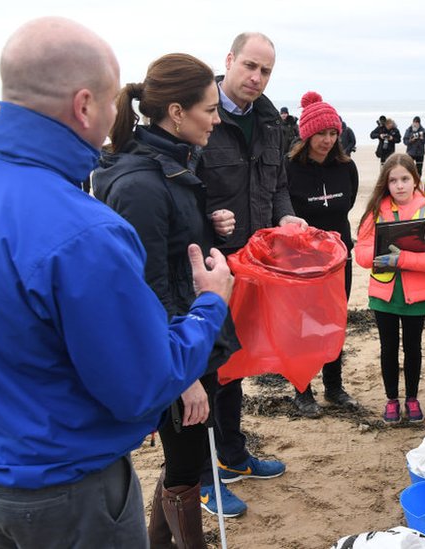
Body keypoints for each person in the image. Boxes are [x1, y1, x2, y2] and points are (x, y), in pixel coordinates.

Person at [0, 18, 234, 548]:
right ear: (85, 104)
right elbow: (140, 383)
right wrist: (209, 306)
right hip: (63, 485)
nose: (119, 114)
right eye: (114, 101)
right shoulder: (84, 230)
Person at [91, 53, 245, 543]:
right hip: (174, 346)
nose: (217, 120)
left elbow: (176, 250)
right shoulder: (140, 182)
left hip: (189, 335)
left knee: (184, 461)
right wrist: (182, 379)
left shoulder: (174, 162)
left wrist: (209, 225)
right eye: (209, 110)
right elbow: (144, 289)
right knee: (187, 465)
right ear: (175, 112)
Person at [196, 31, 301, 516]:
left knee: (234, 363)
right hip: (208, 267)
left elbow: (277, 183)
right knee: (202, 370)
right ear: (230, 60)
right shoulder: (199, 113)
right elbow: (179, 192)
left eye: (266, 71)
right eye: (250, 67)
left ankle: (234, 455)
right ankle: (201, 474)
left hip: (255, 264)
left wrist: (283, 217)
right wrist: (208, 219)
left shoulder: (269, 120)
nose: (257, 78)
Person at [354, 154, 425, 423]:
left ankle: (412, 398)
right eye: (393, 180)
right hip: (383, 294)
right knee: (388, 348)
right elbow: (360, 251)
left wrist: (403, 259)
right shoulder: (376, 211)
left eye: (405, 179)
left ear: (415, 180)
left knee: (413, 347)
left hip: (415, 295)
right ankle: (392, 400)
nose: (399, 185)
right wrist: (378, 257)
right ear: (386, 183)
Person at [286, 91, 360, 417]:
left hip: (339, 258)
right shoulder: (289, 169)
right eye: (321, 134)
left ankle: (333, 387)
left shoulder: (347, 167)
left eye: (333, 133)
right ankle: (302, 390)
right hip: (303, 261)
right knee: (303, 326)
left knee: (335, 322)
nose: (328, 140)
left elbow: (348, 204)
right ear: (306, 134)